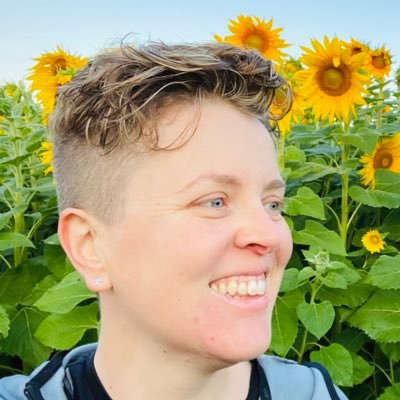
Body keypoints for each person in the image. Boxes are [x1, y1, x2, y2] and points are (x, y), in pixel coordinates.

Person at [0, 41, 348, 400]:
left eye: (272, 204)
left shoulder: (313, 392)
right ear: (90, 246)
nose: (269, 236)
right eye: (215, 201)